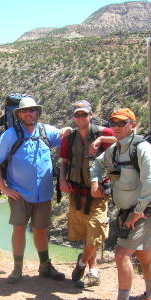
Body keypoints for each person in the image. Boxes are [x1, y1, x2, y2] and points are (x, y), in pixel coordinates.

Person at [90, 108, 151, 300]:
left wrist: (137, 212)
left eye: (122, 123)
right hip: (127, 211)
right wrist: (95, 180)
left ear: (133, 125)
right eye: (113, 123)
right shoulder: (115, 150)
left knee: (122, 254)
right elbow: (97, 164)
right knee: (144, 252)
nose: (116, 127)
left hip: (143, 212)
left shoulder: (142, 149)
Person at [0, 97, 70, 284]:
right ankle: (17, 268)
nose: (29, 114)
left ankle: (45, 266)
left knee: (40, 229)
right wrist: (3, 188)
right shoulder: (11, 135)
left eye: (32, 110)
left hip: (43, 193)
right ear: (19, 114)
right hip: (19, 193)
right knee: (19, 229)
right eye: (25, 111)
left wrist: (67, 131)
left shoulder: (46, 131)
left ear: (37, 113)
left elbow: (64, 136)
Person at [59, 100, 116, 288]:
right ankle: (93, 271)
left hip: (98, 191)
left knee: (96, 228)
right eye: (77, 115)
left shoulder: (102, 132)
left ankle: (82, 262)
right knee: (86, 232)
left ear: (91, 115)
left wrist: (101, 140)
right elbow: (64, 161)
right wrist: (62, 180)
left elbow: (124, 138)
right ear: (74, 117)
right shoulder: (70, 137)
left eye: (84, 114)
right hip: (76, 191)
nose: (81, 118)